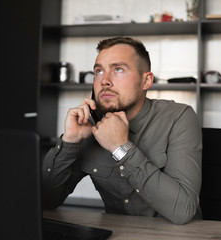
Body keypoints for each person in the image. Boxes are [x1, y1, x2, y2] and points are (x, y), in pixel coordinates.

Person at [42, 36, 202, 225]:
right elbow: (46, 200)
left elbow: (183, 211)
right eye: (99, 71)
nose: (105, 81)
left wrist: (120, 147)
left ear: (146, 81)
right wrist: (70, 141)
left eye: (118, 69)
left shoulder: (179, 117)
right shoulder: (90, 125)